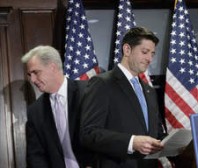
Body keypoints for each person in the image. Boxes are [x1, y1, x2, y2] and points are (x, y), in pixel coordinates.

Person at [80, 27, 166, 168]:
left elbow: (156, 132)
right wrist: (132, 142)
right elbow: (89, 133)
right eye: (144, 52)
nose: (149, 59)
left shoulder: (149, 90)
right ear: (127, 50)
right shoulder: (102, 84)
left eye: (152, 54)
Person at [22, 45, 95, 168]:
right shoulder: (35, 111)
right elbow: (36, 156)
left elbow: (106, 134)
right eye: (30, 75)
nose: (33, 79)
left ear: (52, 67)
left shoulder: (88, 91)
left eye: (35, 72)